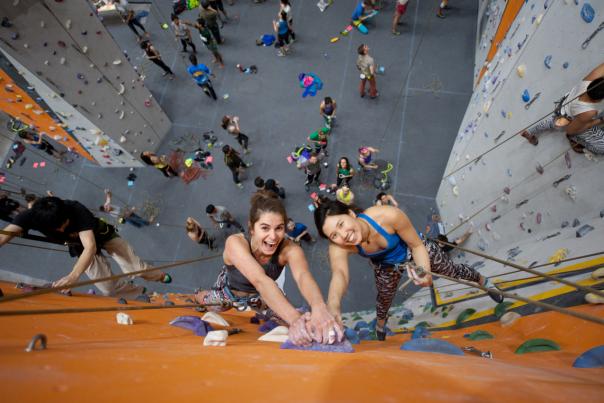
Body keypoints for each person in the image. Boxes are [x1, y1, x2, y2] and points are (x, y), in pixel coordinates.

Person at [314, 200, 504, 340]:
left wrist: (424, 273)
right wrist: (333, 305)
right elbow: (340, 274)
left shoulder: (388, 216)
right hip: (385, 264)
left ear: (351, 214)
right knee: (384, 297)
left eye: (341, 224)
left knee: (451, 270)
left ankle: (480, 280)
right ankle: (381, 325)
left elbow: (417, 246)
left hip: (413, 248)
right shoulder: (340, 246)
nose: (343, 235)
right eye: (334, 235)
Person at [195, 191, 343, 345]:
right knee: (207, 303)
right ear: (252, 229)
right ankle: (197, 295)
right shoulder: (235, 243)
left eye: (279, 228)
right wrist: (295, 319)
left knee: (293, 323)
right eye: (265, 228)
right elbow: (260, 280)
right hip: (229, 292)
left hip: (261, 297)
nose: (273, 237)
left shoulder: (290, 250)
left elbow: (303, 276)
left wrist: (318, 306)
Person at [0, 197, 171, 296]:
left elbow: (90, 246)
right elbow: (5, 234)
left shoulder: (75, 209)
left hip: (101, 236)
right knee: (107, 288)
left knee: (136, 269)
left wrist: (73, 275)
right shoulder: (29, 217)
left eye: (64, 225)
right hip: (78, 246)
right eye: (57, 228)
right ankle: (141, 293)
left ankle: (159, 276)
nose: (62, 230)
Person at [521, 63, 604, 154]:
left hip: (563, 107)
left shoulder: (591, 78)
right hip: (569, 122)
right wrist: (600, 120)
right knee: (602, 147)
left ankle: (529, 132)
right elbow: (571, 130)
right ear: (597, 100)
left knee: (552, 122)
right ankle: (575, 140)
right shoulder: (589, 112)